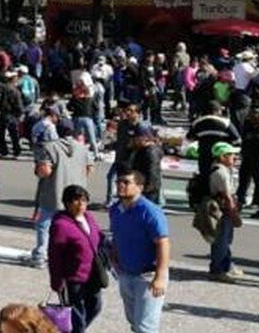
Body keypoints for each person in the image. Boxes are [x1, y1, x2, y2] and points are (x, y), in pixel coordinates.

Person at [109, 167, 170, 333]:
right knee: (134, 323)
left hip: (147, 276)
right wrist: (114, 258)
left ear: (139, 187)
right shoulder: (116, 209)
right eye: (118, 182)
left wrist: (160, 277)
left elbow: (163, 243)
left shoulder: (150, 212)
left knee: (145, 327)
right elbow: (116, 235)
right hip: (126, 273)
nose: (120, 185)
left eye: (126, 182)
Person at [30, 118, 90, 268]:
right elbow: (90, 168)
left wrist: (38, 169)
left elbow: (45, 170)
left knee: (44, 224)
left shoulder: (50, 147)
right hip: (76, 193)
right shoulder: (82, 148)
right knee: (74, 225)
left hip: (54, 191)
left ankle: (40, 255)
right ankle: (73, 254)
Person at [48, 185, 103, 333]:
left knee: (95, 306)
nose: (81, 205)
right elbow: (54, 255)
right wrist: (56, 281)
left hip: (93, 274)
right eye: (76, 201)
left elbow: (99, 235)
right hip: (73, 277)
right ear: (67, 203)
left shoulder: (89, 217)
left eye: (84, 201)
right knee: (76, 313)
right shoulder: (61, 225)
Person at [186, 101, 240, 191]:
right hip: (221, 157)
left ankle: (204, 198)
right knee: (222, 179)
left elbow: (189, 137)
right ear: (217, 111)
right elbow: (237, 140)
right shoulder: (225, 122)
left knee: (205, 177)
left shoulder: (197, 122)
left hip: (204, 154)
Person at [208, 142, 243, 281]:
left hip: (223, 208)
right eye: (231, 155)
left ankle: (226, 265)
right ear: (222, 157)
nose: (235, 157)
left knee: (225, 239)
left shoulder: (222, 169)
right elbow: (227, 196)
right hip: (222, 210)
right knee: (221, 240)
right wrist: (234, 213)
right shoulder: (220, 172)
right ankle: (218, 270)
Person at [128, 125, 163, 205]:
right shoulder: (140, 149)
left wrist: (147, 188)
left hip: (147, 190)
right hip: (140, 185)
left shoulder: (150, 151)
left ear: (144, 137)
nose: (134, 140)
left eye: (136, 137)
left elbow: (152, 171)